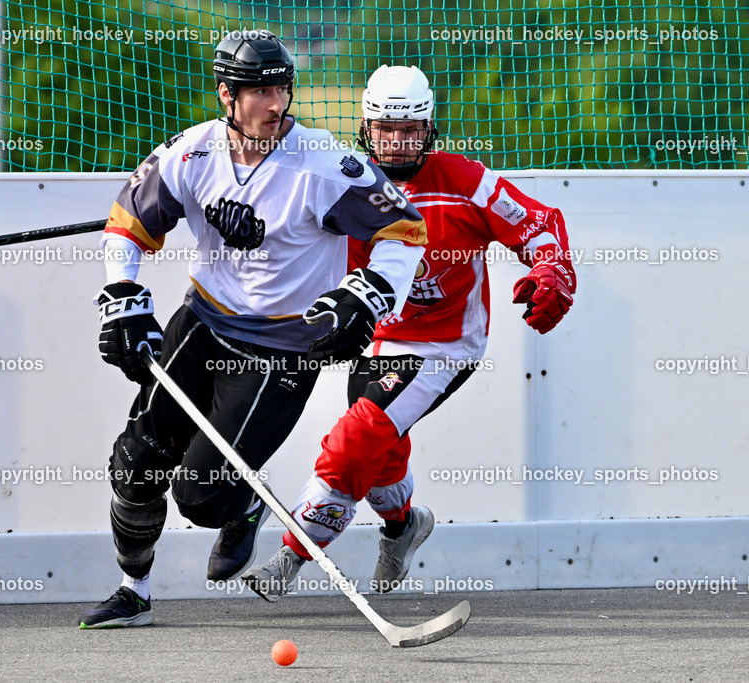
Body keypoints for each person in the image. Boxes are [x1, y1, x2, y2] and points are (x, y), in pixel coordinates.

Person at [78, 34, 429, 628]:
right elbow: (127, 224)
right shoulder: (192, 154)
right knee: (134, 464)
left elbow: (404, 231)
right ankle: (132, 590)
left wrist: (365, 296)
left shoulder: (323, 162)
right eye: (261, 91)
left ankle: (241, 509)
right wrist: (123, 296)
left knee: (202, 496)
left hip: (282, 349)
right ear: (227, 94)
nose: (275, 103)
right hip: (203, 322)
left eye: (282, 89)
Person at [242, 64, 577, 600]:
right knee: (380, 456)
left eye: (412, 131)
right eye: (385, 131)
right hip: (375, 339)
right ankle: (403, 527)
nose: (398, 144)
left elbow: (538, 224)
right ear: (365, 130)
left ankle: (293, 552)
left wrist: (551, 270)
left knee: (358, 439)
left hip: (445, 345)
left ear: (431, 130)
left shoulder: (467, 182)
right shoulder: (343, 182)